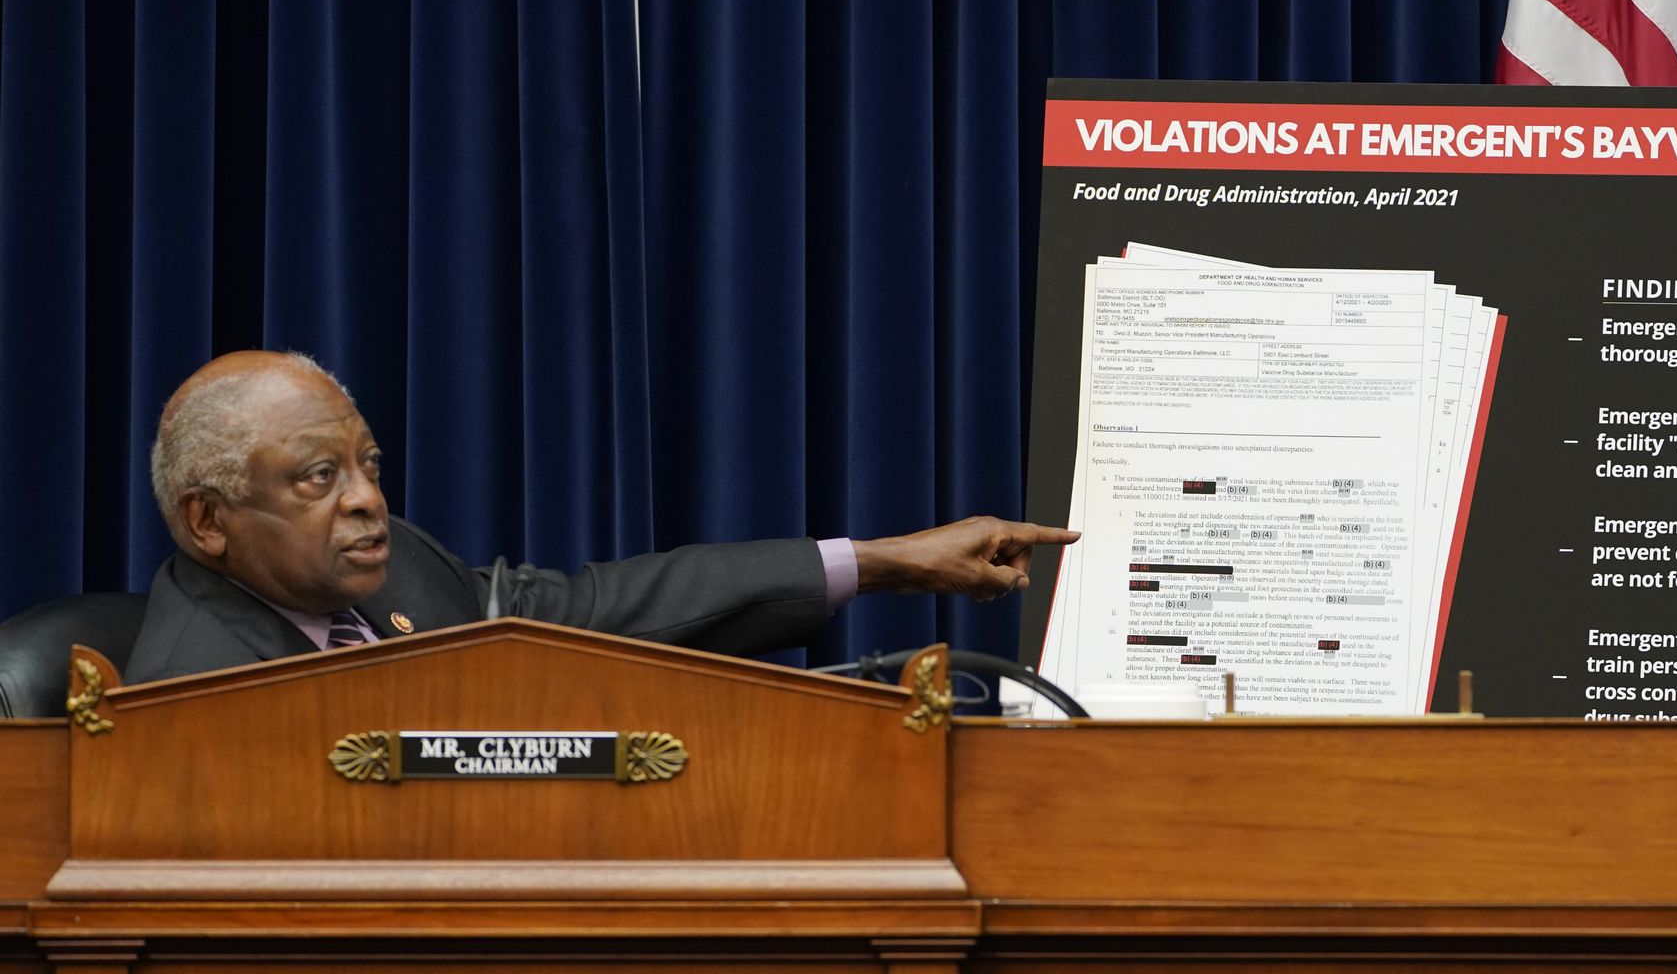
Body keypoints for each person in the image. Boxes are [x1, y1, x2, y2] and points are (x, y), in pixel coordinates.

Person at [124, 351, 1076, 683]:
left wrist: (887, 562)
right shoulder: (196, 694)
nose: (368, 498)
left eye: (368, 465)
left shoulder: (388, 563)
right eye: (318, 476)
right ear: (208, 522)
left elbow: (596, 610)